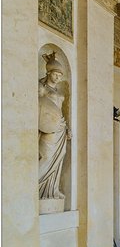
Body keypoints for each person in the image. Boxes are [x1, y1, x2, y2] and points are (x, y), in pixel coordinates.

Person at [38, 52, 70, 200]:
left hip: (60, 128)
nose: (58, 77)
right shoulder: (41, 88)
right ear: (48, 73)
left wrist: (67, 128)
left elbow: (59, 112)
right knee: (47, 156)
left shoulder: (57, 91)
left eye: (60, 75)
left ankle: (52, 189)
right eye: (55, 74)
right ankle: (35, 185)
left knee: (60, 156)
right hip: (48, 129)